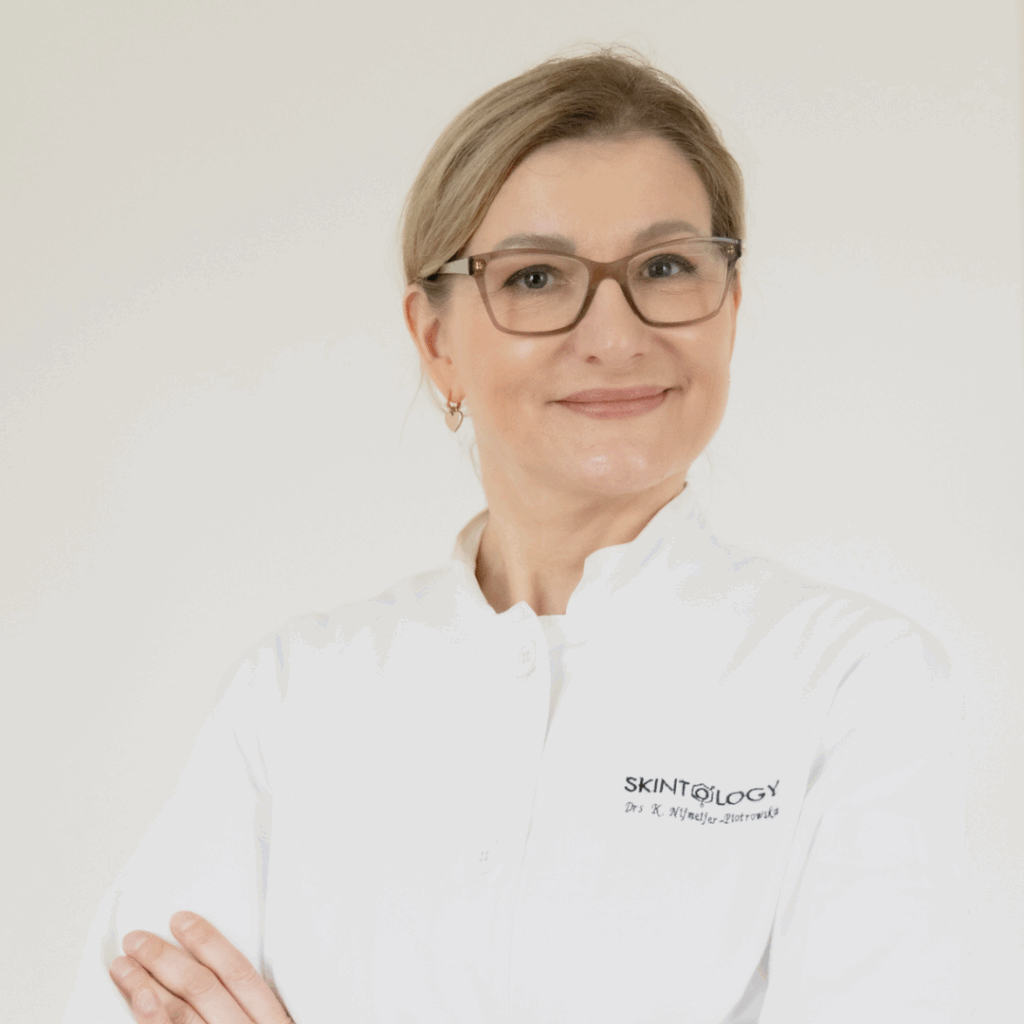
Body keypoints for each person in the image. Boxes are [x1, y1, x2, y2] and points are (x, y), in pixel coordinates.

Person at [62, 48, 963, 1024]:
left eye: (666, 267)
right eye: (536, 277)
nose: (615, 336)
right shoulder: (295, 694)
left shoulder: (856, 682)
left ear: (730, 309)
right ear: (436, 340)